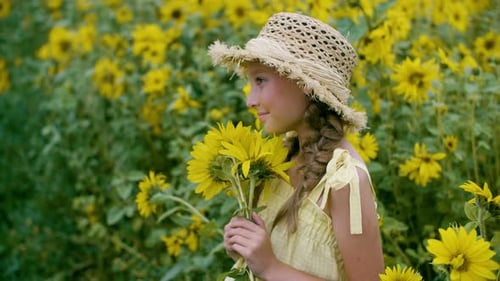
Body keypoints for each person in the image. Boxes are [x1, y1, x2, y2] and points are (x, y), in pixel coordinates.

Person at [208, 12, 384, 281]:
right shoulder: (280, 160)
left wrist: (270, 267)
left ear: (304, 85)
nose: (250, 100)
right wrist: (248, 251)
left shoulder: (345, 181)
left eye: (260, 80)